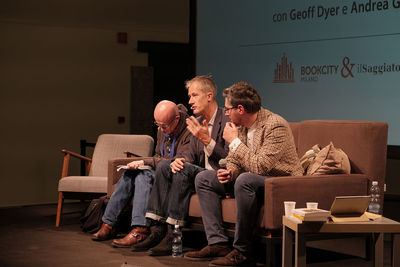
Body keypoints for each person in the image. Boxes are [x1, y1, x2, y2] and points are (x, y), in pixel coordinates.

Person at [184, 82, 303, 266]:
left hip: (280, 182)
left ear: (240, 109)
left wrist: (234, 142)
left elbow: (260, 166)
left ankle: (242, 251)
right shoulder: (241, 126)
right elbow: (235, 159)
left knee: (245, 180)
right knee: (204, 178)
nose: (226, 113)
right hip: (251, 180)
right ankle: (218, 243)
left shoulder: (275, 125)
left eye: (228, 109)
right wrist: (230, 171)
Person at [131, 75, 230, 256]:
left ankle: (173, 232)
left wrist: (208, 141)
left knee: (182, 169)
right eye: (189, 96)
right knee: (165, 166)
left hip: (221, 177)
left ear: (209, 96)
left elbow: (231, 159)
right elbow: (189, 156)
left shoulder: (227, 120)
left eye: (194, 95)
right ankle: (158, 229)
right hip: (199, 176)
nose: (189, 101)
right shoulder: (197, 122)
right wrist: (179, 160)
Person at [92, 100, 192, 248]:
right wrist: (144, 164)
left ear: (176, 119)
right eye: (157, 125)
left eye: (164, 126)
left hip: (177, 175)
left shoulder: (190, 132)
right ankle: (109, 223)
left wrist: (146, 162)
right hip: (161, 170)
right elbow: (159, 156)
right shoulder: (162, 129)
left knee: (144, 176)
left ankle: (140, 229)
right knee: (131, 173)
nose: (161, 129)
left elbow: (178, 161)